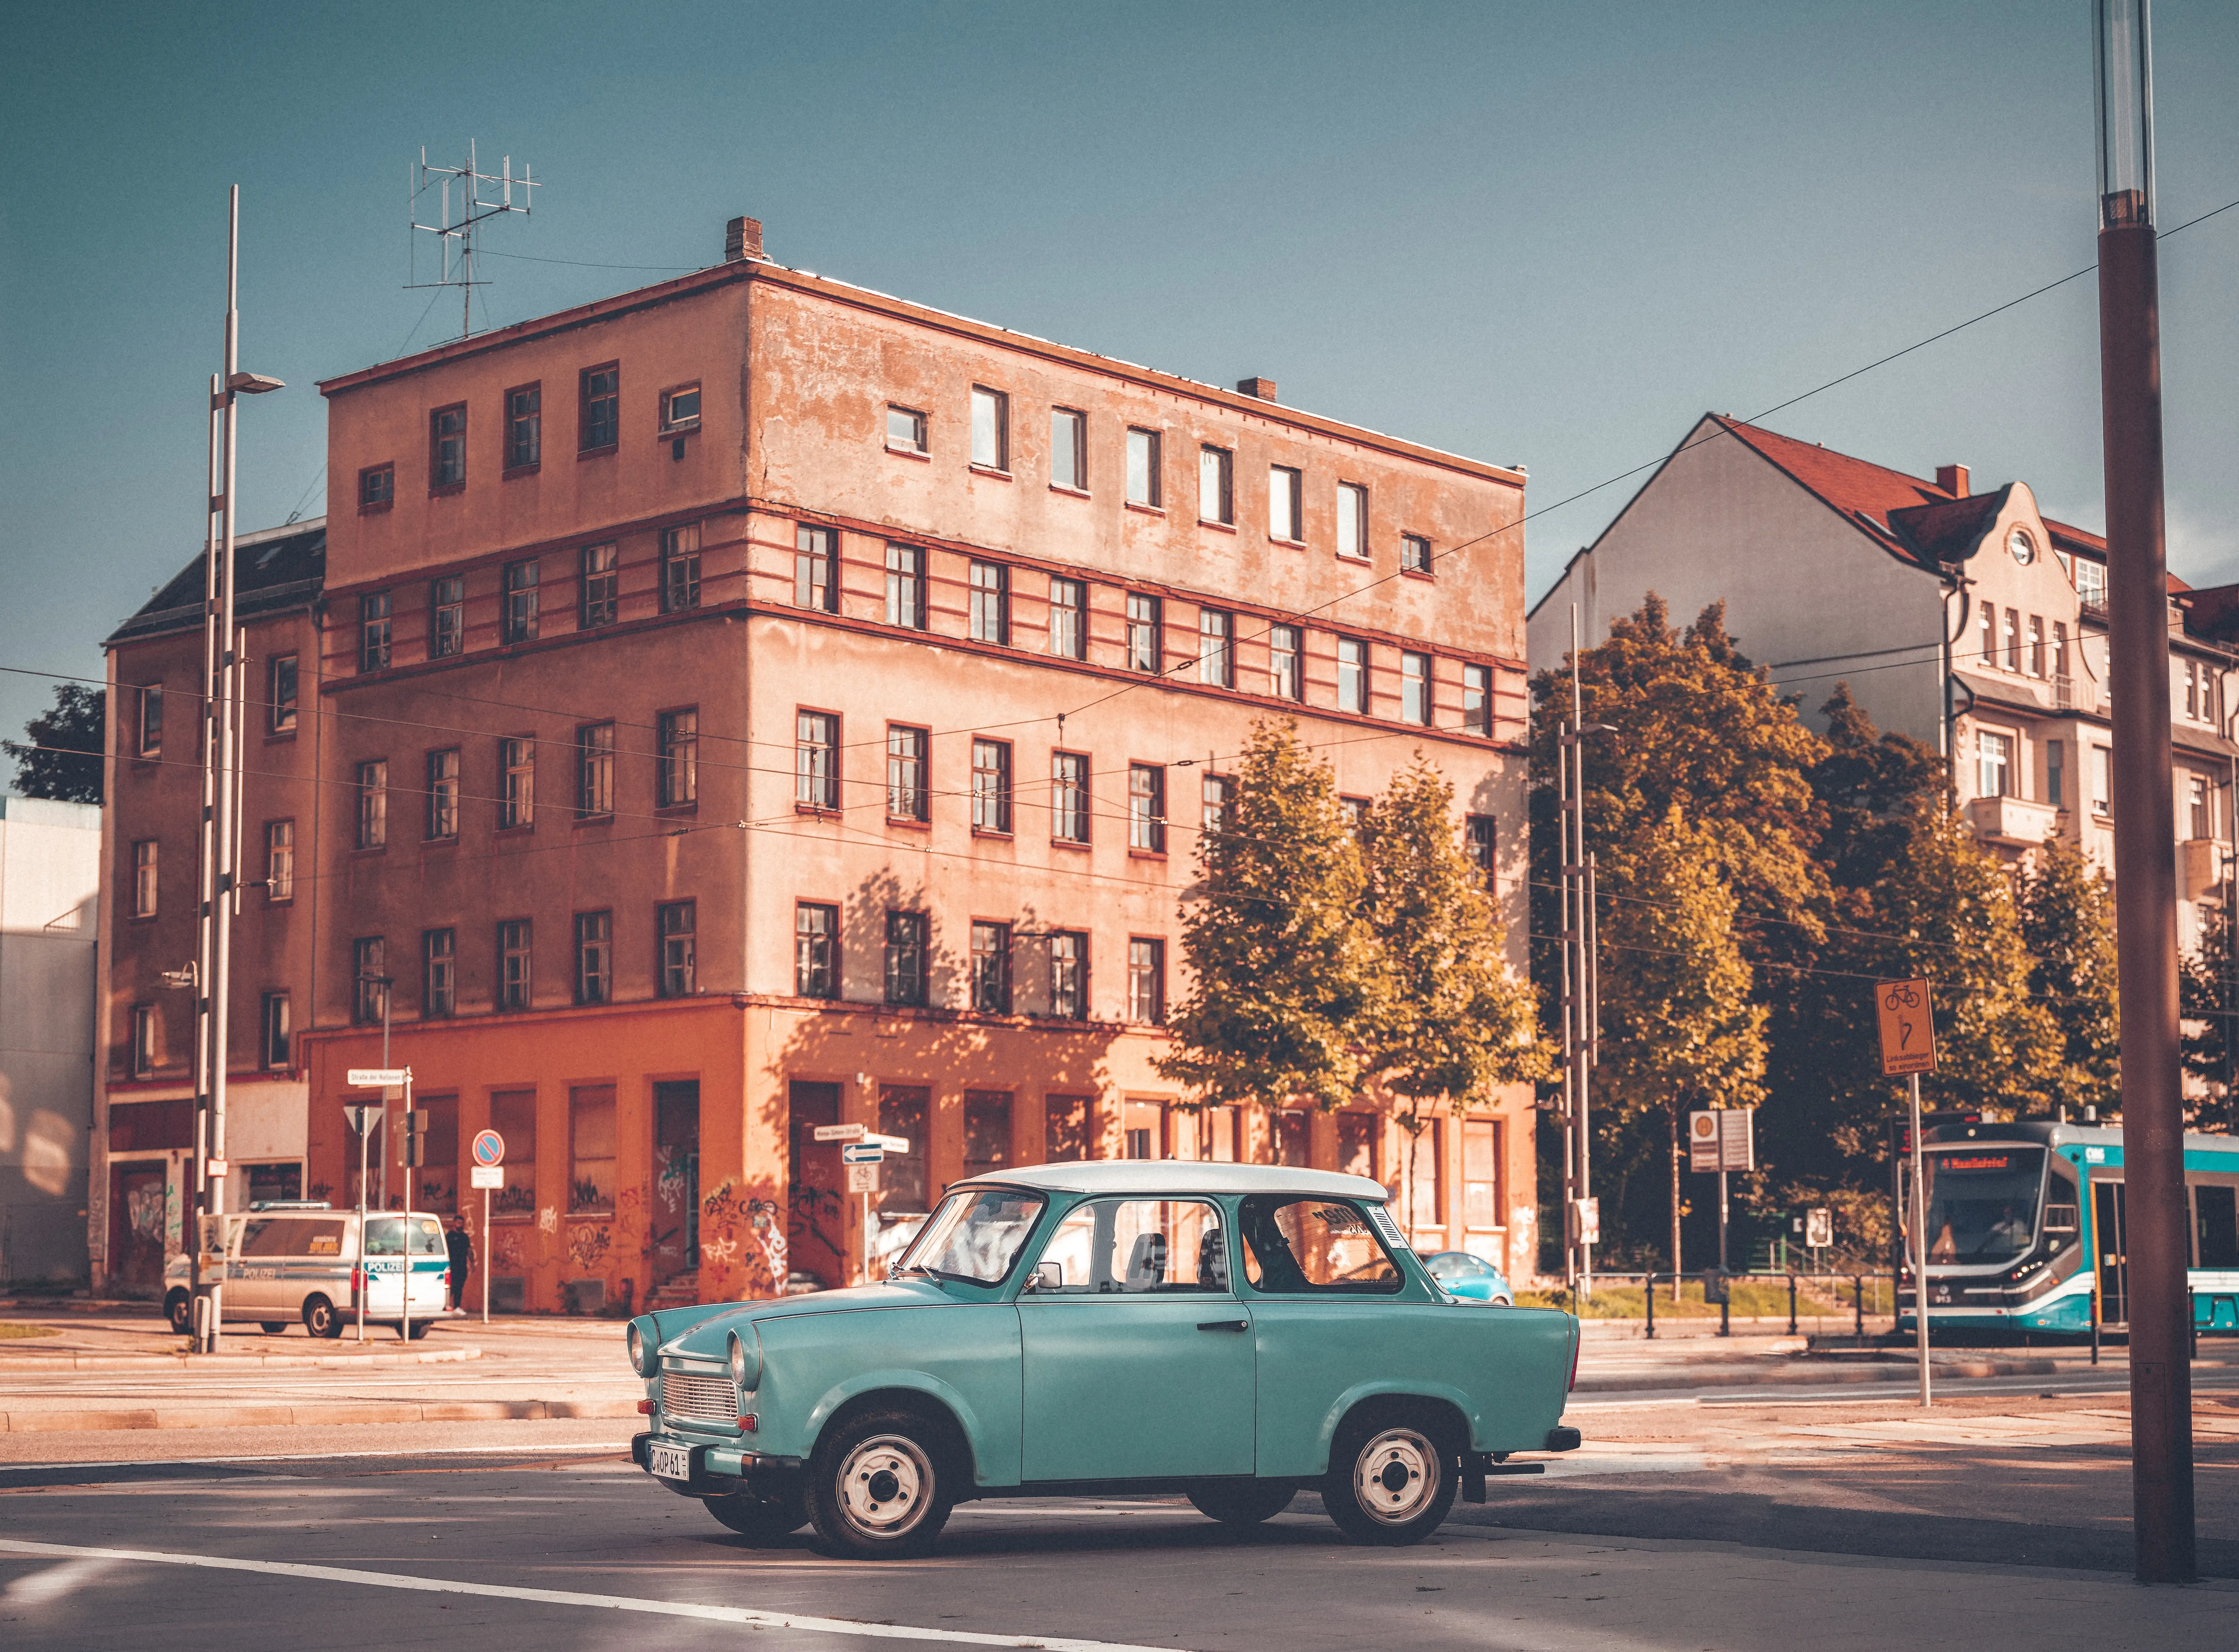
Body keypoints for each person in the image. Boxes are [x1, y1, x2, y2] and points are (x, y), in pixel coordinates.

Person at [445, 1215, 473, 1310]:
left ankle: (457, 1306)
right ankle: (446, 1305)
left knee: (460, 1287)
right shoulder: (450, 1236)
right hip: (452, 1266)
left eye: (462, 1223)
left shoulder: (464, 1237)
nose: (460, 1225)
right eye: (458, 1223)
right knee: (452, 1287)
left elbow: (469, 1250)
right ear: (455, 1223)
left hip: (462, 1266)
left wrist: (472, 1263)